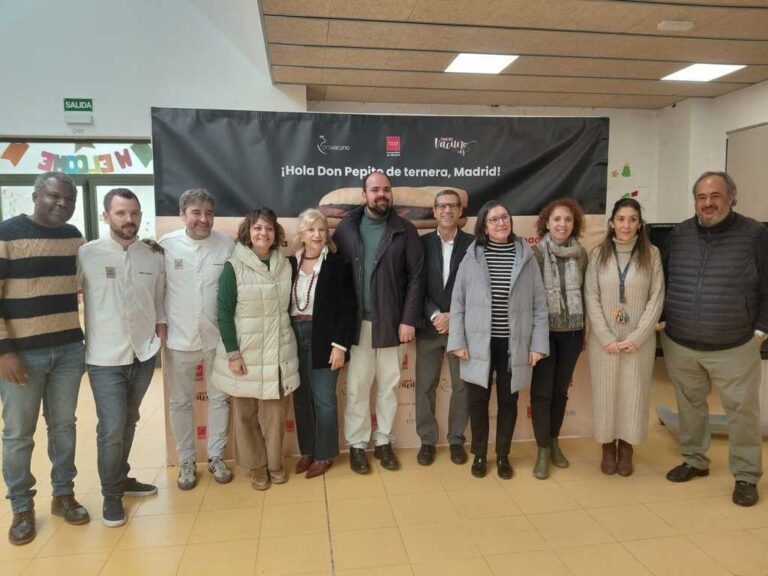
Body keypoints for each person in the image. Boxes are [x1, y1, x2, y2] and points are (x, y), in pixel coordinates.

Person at [662, 171, 768, 507]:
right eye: (702, 197)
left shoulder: (754, 234)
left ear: (731, 197)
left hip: (735, 344)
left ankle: (747, 475)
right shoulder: (679, 234)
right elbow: (662, 278)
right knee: (690, 405)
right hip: (681, 342)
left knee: (742, 413)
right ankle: (695, 459)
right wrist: (664, 321)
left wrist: (761, 330)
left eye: (716, 196)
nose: (708, 203)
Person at [0, 172, 89, 545]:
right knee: (19, 435)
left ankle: (63, 495)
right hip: (22, 354)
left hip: (68, 349)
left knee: (64, 426)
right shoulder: (7, 235)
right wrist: (5, 351)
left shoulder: (74, 239)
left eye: (68, 200)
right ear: (35, 195)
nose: (62, 204)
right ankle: (21, 507)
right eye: (55, 197)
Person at [79, 188, 166, 528]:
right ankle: (111, 494)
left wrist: (160, 333)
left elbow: (158, 300)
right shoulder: (86, 255)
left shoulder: (153, 255)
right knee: (112, 428)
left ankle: (122, 477)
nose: (129, 219)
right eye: (120, 213)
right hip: (104, 359)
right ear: (105, 216)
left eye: (134, 213)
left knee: (129, 421)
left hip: (143, 354)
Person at [448, 201, 549, 479]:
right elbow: (457, 304)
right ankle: (480, 454)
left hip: (513, 344)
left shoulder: (526, 257)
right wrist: (458, 341)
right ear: (484, 226)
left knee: (508, 402)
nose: (501, 223)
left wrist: (538, 345)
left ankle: (503, 456)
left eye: (505, 217)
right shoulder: (471, 257)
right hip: (478, 343)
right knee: (478, 403)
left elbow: (540, 305)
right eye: (493, 220)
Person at [333, 171, 425, 474]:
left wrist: (408, 319)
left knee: (388, 387)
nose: (381, 194)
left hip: (393, 324)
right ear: (364, 195)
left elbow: (416, 279)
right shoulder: (346, 229)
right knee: (358, 388)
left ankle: (384, 442)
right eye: (375, 190)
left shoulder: (405, 230)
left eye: (386, 189)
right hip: (356, 325)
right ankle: (358, 446)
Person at [210, 208, 299, 491]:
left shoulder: (286, 265)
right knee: (246, 416)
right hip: (245, 355)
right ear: (248, 233)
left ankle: (274, 464)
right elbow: (223, 313)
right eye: (258, 228)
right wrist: (233, 354)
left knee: (275, 416)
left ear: (276, 235)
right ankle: (257, 467)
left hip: (278, 353)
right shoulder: (233, 267)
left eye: (269, 229)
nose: (264, 233)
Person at [159, 189, 234, 490]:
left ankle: (216, 456)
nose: (203, 219)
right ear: (182, 215)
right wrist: (160, 323)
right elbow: (156, 290)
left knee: (220, 398)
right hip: (179, 339)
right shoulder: (165, 247)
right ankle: (187, 460)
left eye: (208, 213)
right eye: (196, 213)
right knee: (179, 403)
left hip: (217, 339)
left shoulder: (226, 245)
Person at [585, 198, 663, 477]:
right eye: (621, 219)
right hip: (602, 342)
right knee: (605, 394)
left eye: (632, 219)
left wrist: (639, 336)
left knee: (634, 394)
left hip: (638, 342)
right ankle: (607, 447)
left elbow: (657, 297)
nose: (626, 225)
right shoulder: (597, 254)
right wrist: (605, 336)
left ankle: (627, 447)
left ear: (640, 224)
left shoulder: (651, 254)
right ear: (611, 223)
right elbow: (591, 297)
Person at [289, 209, 355, 479]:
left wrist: (340, 345)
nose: (317, 235)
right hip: (292, 334)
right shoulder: (289, 263)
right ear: (302, 235)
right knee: (301, 397)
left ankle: (325, 454)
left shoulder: (337, 264)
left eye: (322, 230)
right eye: (311, 230)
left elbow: (348, 308)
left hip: (324, 336)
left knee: (324, 399)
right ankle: (308, 450)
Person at [530, 198, 589, 479]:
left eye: (567, 219)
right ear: (546, 223)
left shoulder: (582, 254)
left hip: (573, 334)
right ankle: (542, 449)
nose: (562, 224)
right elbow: (528, 299)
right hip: (544, 335)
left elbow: (588, 295)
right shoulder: (536, 254)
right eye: (556, 219)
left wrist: (585, 333)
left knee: (559, 392)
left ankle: (554, 441)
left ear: (574, 224)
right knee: (541, 393)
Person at [414, 189, 473, 466]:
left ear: (461, 211)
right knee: (425, 385)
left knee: (462, 387)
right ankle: (427, 440)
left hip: (462, 330)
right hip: (429, 326)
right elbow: (415, 286)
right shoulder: (421, 244)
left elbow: (478, 290)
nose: (447, 210)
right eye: (442, 206)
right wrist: (436, 313)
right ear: (434, 211)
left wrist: (454, 316)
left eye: (453, 206)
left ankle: (456, 440)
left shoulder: (475, 245)